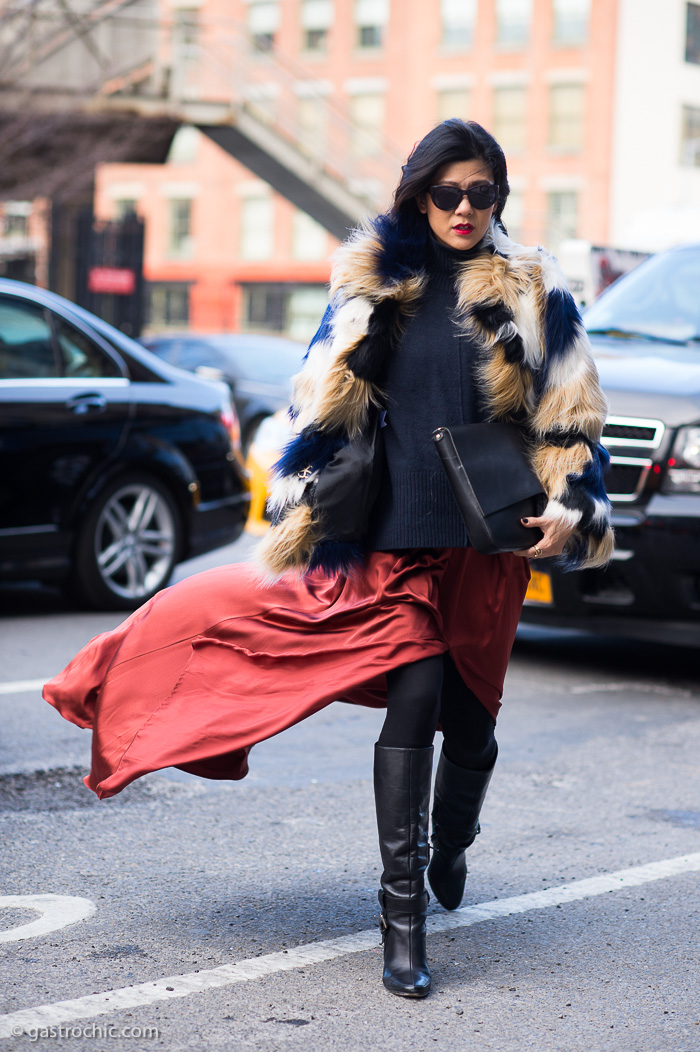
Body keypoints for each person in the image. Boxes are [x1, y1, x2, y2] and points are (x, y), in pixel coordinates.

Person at [45, 120, 613, 1001]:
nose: (464, 210)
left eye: (482, 194)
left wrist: (571, 507)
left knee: (469, 725)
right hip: (392, 538)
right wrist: (302, 497)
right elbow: (320, 406)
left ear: (500, 198)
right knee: (414, 700)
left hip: (484, 543)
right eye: (447, 193)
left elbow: (572, 422)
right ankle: (402, 924)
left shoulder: (536, 291)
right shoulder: (372, 283)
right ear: (417, 194)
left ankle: (452, 841)